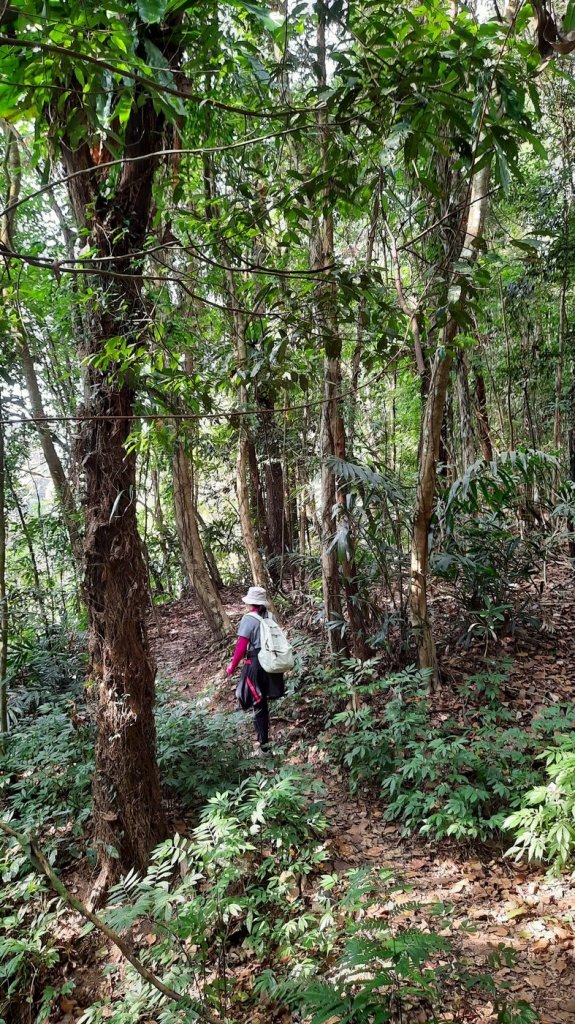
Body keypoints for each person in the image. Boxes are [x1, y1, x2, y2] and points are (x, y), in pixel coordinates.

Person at [225, 585, 274, 752]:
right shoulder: (270, 617)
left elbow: (241, 646)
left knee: (253, 700)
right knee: (260, 702)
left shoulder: (248, 619)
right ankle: (264, 742)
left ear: (251, 603)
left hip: (255, 665)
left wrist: (232, 666)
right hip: (269, 664)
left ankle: (264, 747)